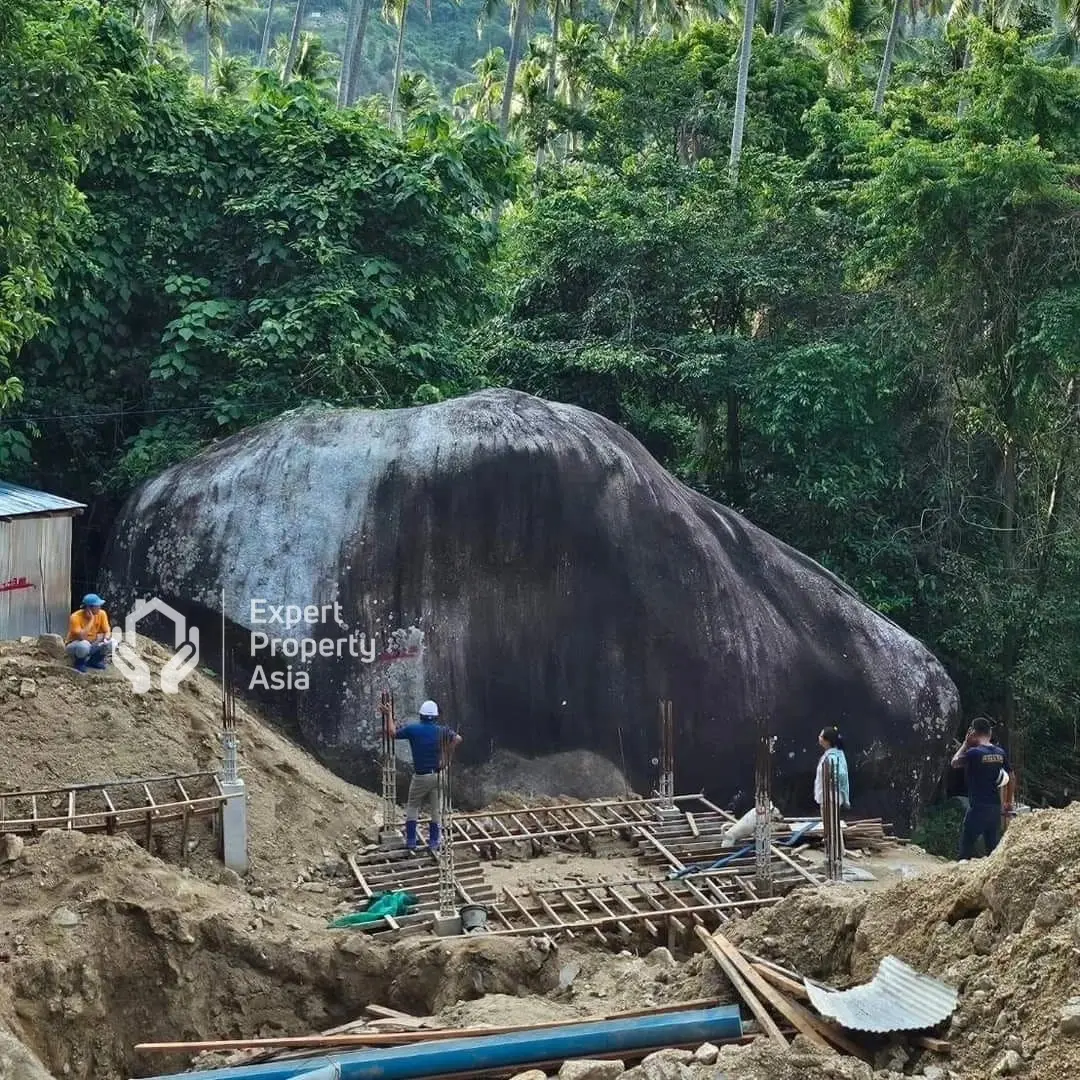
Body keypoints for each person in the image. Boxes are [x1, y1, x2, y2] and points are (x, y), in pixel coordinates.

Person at [387, 699, 462, 852]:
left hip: (420, 777)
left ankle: (411, 841)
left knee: (413, 806)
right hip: (438, 775)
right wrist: (446, 756)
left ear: (420, 715)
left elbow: (392, 733)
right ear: (435, 716)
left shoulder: (413, 729)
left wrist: (389, 715)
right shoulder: (442, 730)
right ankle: (434, 842)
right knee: (436, 809)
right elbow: (458, 738)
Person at [950, 717, 1011, 859]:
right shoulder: (1000, 753)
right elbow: (1011, 776)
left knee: (966, 848)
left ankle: (962, 877)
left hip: (977, 808)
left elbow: (954, 763)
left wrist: (965, 744)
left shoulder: (973, 753)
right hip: (995, 807)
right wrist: (1007, 801)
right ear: (990, 732)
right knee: (993, 850)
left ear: (973, 733)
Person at [65, 594, 114, 674]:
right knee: (84, 645)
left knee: (111, 643)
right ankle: (79, 662)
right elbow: (82, 637)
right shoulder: (75, 617)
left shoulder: (102, 613)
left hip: (91, 642)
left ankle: (94, 661)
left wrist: (106, 638)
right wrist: (91, 620)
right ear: (89, 608)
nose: (99, 608)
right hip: (75, 645)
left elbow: (107, 631)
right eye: (97, 606)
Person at [814, 726, 851, 810]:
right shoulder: (834, 754)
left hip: (830, 798)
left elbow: (841, 774)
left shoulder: (832, 757)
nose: (819, 737)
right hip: (828, 798)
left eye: (821, 735)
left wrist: (831, 783)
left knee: (830, 821)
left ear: (827, 741)